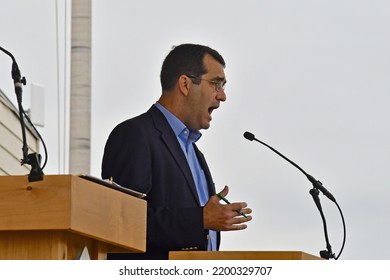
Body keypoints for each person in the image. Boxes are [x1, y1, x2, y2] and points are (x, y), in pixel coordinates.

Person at [101, 43, 252, 260]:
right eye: (216, 84)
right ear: (185, 84)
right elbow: (123, 220)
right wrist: (200, 219)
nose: (222, 96)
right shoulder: (135, 134)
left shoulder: (194, 152)